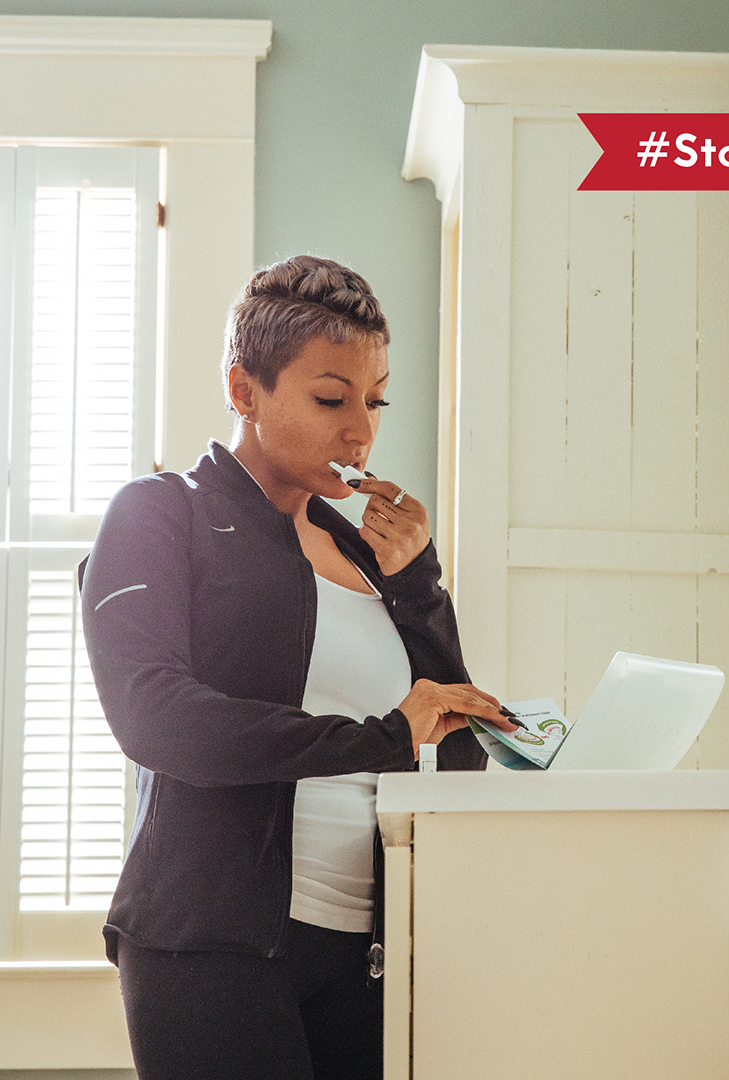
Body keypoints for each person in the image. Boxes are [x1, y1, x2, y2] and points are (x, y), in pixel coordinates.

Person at [80, 255, 516, 1080]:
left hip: (369, 959)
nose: (361, 432)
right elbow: (157, 719)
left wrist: (419, 582)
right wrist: (380, 737)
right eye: (330, 399)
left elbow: (453, 751)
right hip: (209, 949)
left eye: (375, 400)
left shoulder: (371, 557)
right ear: (244, 390)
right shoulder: (160, 514)